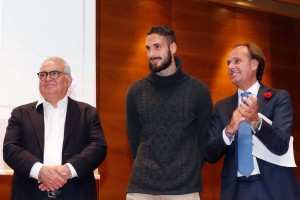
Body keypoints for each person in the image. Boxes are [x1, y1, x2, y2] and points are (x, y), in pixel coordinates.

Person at [125, 25, 213, 200]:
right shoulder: (136, 91)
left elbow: (205, 140)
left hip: (184, 188)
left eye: (157, 47)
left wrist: (187, 170)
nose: (151, 54)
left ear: (173, 48)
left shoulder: (198, 90)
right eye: (148, 48)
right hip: (141, 188)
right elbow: (133, 139)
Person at [204, 42, 300, 200]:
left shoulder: (278, 98)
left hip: (272, 188)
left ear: (254, 64)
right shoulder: (222, 107)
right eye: (228, 63)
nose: (230, 67)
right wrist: (228, 130)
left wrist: (256, 121)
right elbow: (209, 154)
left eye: (237, 61)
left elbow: (281, 144)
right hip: (237, 190)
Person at [3, 56, 107, 200]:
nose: (47, 78)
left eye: (54, 73)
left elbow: (98, 147)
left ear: (68, 80)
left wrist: (68, 170)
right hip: (29, 194)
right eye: (43, 74)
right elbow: (10, 149)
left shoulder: (87, 113)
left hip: (76, 194)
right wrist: (40, 171)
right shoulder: (20, 113)